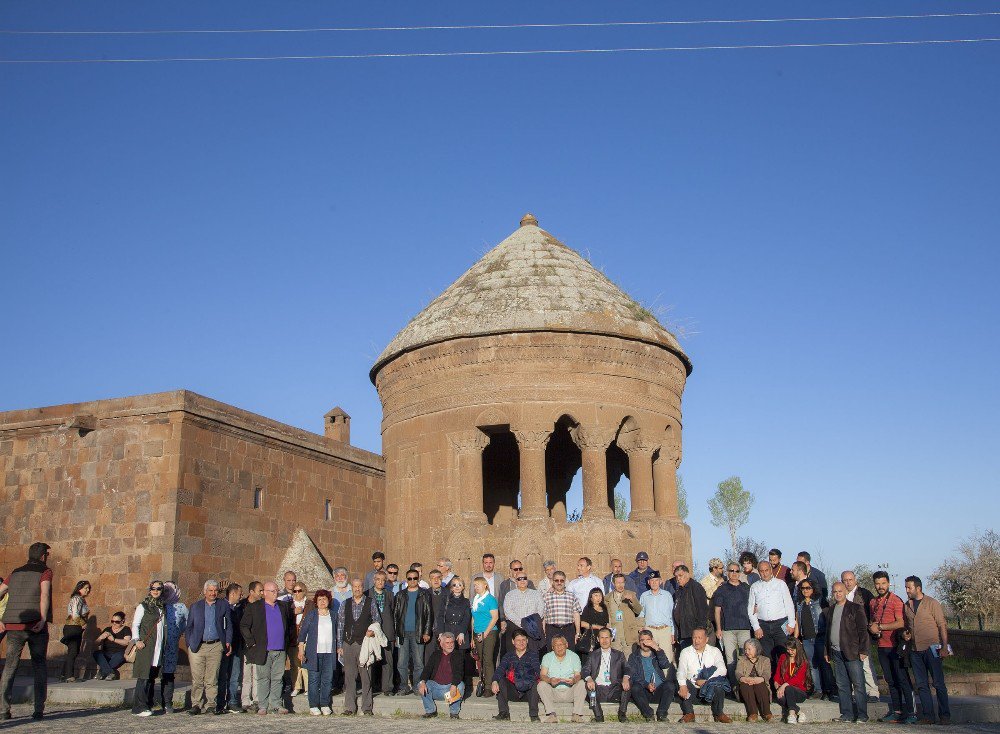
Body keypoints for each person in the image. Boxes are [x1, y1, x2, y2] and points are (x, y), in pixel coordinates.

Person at [0, 542, 52, 722]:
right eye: (47, 554)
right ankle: (38, 710)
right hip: (35, 625)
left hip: (13, 625)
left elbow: (1, 591)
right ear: (43, 556)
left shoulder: (15, 572)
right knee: (39, 666)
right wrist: (43, 618)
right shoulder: (45, 571)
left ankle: (3, 710)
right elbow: (44, 594)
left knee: (10, 667)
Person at [240, 580, 296, 715]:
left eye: (276, 590)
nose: (276, 593)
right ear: (265, 593)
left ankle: (276, 704)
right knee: (263, 678)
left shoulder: (283, 606)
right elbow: (244, 626)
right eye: (273, 591)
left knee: (278, 678)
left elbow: (289, 626)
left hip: (280, 649)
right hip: (263, 650)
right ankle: (263, 705)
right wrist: (251, 642)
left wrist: (287, 643)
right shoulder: (255, 607)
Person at [903, 575, 951, 725]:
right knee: (922, 684)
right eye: (905, 587)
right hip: (915, 649)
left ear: (918, 588)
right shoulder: (907, 605)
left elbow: (942, 625)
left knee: (938, 683)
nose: (906, 590)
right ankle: (928, 716)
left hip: (932, 648)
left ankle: (944, 715)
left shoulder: (932, 603)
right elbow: (907, 626)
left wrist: (944, 646)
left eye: (909, 587)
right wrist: (906, 634)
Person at [869, 571, 915, 723]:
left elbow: (901, 623)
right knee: (890, 680)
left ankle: (911, 713)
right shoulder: (873, 602)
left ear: (888, 583)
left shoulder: (895, 600)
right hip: (882, 646)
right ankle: (897, 711)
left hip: (895, 645)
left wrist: (880, 627)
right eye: (877, 583)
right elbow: (873, 622)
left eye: (883, 583)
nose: (880, 586)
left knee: (902, 679)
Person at [184, 579, 233, 715]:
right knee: (197, 678)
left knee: (212, 678)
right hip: (198, 646)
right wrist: (189, 644)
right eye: (210, 590)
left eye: (215, 590)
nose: (213, 593)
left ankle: (211, 704)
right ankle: (196, 704)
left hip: (216, 645)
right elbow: (189, 627)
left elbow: (228, 625)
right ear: (205, 592)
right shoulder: (196, 606)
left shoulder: (223, 605)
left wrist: (228, 641)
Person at [823, 581, 870, 723]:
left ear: (845, 592)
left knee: (858, 684)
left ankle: (862, 715)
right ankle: (847, 714)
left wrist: (863, 650)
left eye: (840, 591)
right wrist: (826, 651)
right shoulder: (831, 609)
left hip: (852, 651)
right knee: (842, 685)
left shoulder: (855, 608)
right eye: (835, 592)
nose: (837, 594)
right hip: (836, 652)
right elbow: (827, 632)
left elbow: (863, 630)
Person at [337, 578, 380, 716]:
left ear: (363, 588)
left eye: (359, 586)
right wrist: (339, 645)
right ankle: (350, 707)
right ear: (352, 588)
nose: (357, 589)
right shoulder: (345, 603)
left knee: (366, 675)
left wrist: (372, 631)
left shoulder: (370, 602)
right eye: (355, 587)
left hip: (364, 644)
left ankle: (367, 707)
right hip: (348, 644)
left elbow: (377, 620)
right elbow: (340, 625)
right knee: (349, 676)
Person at [676, 627, 732, 723]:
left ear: (706, 639)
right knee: (682, 681)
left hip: (710, 689)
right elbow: (681, 670)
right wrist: (682, 685)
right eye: (694, 638)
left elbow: (722, 669)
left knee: (719, 685)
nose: (696, 641)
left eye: (699, 638)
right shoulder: (685, 652)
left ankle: (719, 713)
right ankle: (689, 713)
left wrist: (707, 682)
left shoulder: (715, 651)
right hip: (693, 690)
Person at [297, 589, 338, 716]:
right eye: (319, 599)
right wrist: (301, 651)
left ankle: (325, 704)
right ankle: (313, 705)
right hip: (313, 653)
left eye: (324, 599)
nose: (322, 602)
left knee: (327, 679)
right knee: (314, 680)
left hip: (329, 653)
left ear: (328, 601)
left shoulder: (333, 615)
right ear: (316, 601)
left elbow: (338, 633)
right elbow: (302, 634)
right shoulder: (312, 615)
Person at [130, 580, 167, 717]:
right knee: (143, 676)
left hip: (157, 646)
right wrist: (137, 640)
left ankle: (148, 704)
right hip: (146, 645)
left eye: (158, 589)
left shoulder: (162, 607)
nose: (155, 591)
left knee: (151, 676)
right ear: (149, 590)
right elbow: (135, 624)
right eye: (153, 588)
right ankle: (139, 707)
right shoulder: (143, 606)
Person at [393, 568, 432, 695]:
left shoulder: (424, 594)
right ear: (406, 580)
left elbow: (428, 615)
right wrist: (395, 633)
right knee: (401, 662)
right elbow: (396, 615)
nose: (412, 580)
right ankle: (404, 687)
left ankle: (416, 686)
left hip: (418, 632)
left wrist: (426, 632)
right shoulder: (400, 595)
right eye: (409, 578)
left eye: (415, 578)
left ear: (418, 579)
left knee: (418, 662)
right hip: (403, 633)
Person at [624, 629, 677, 722]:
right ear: (639, 642)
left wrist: (657, 648)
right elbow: (634, 675)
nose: (645, 643)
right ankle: (648, 714)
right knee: (635, 687)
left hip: (658, 689)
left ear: (652, 640)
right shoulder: (633, 656)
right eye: (642, 640)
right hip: (644, 691)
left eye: (648, 640)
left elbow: (665, 665)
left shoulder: (657, 653)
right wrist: (646, 685)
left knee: (670, 685)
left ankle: (662, 714)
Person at [748, 560, 796, 661]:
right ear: (759, 572)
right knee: (767, 657)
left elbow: (789, 604)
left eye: (766, 570)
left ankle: (784, 677)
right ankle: (770, 677)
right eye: (762, 571)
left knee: (783, 655)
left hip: (781, 624)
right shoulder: (754, 587)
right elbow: (751, 608)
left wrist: (791, 624)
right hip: (763, 626)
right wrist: (756, 627)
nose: (764, 573)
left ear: (771, 570)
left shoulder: (780, 584)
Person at [841, 570, 879, 701]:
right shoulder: (841, 595)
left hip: (863, 635)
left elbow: (874, 612)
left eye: (850, 579)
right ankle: (855, 693)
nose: (848, 582)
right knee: (851, 666)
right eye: (845, 580)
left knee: (866, 666)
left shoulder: (864, 594)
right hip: (847, 637)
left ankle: (873, 692)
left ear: (855, 580)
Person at [794, 578, 833, 700]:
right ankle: (818, 690)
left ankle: (829, 689)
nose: (805, 590)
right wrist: (795, 638)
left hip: (819, 637)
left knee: (824, 664)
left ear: (813, 589)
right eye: (803, 588)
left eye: (808, 588)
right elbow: (797, 622)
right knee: (812, 665)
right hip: (806, 638)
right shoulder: (799, 604)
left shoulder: (819, 601)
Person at [712, 563, 752, 679]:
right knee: (731, 659)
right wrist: (718, 629)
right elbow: (717, 610)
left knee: (746, 656)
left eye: (737, 571)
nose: (734, 573)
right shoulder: (722, 589)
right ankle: (734, 687)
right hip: (727, 629)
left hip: (744, 627)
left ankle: (746, 684)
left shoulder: (746, 588)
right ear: (727, 572)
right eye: (732, 570)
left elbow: (754, 604)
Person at [492, 629, 541, 722]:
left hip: (528, 692)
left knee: (535, 683)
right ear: (513, 641)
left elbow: (537, 671)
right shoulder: (508, 655)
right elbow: (500, 669)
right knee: (501, 680)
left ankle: (534, 715)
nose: (521, 643)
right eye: (518, 640)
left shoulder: (533, 655)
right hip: (513, 691)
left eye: (523, 640)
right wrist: (494, 681)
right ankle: (504, 713)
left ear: (527, 641)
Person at [582, 627, 628, 722]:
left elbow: (628, 668)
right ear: (598, 639)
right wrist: (589, 679)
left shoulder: (619, 655)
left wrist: (626, 678)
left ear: (611, 638)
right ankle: (599, 716)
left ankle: (622, 714)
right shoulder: (592, 655)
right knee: (588, 686)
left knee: (628, 682)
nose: (604, 640)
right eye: (602, 638)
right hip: (599, 689)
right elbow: (585, 670)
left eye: (607, 637)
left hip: (614, 688)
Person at [537, 634, 588, 722]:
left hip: (570, 691)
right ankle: (552, 715)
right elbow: (542, 675)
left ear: (567, 645)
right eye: (556, 645)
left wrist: (573, 680)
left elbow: (578, 675)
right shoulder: (547, 657)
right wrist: (550, 680)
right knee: (541, 685)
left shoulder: (574, 656)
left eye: (561, 644)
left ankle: (576, 714)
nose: (559, 647)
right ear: (552, 647)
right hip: (554, 692)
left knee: (582, 683)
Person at [419, 632, 465, 718]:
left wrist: (454, 685)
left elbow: (459, 673)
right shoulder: (435, 654)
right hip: (435, 689)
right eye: (447, 643)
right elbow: (427, 670)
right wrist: (423, 682)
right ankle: (431, 711)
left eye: (452, 642)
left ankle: (454, 713)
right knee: (421, 684)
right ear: (441, 644)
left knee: (461, 685)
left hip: (450, 689)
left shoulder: (458, 655)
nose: (450, 645)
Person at [159, 581, 189, 714]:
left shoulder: (181, 607)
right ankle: (148, 701)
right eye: (164, 590)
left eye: (168, 590)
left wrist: (178, 632)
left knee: (168, 674)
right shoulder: (158, 605)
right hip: (157, 645)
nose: (166, 593)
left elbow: (188, 623)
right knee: (153, 673)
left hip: (171, 645)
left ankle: (167, 702)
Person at [502, 570, 544, 654]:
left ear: (527, 580)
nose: (522, 581)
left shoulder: (536, 594)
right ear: (516, 581)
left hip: (533, 627)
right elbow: (508, 611)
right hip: (515, 627)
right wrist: (522, 623)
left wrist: (530, 622)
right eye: (519, 579)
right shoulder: (510, 595)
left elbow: (541, 610)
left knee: (532, 655)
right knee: (515, 655)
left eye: (524, 578)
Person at [368, 570, 396, 696]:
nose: (380, 582)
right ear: (374, 580)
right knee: (372, 660)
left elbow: (394, 614)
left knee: (388, 661)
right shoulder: (367, 594)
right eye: (378, 579)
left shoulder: (390, 595)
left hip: (388, 632)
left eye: (383, 580)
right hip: (373, 632)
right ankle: (372, 686)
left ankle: (388, 688)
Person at [471, 575, 499, 697]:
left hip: (489, 632)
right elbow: (473, 618)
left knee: (488, 659)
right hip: (478, 632)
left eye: (477, 585)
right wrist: (473, 636)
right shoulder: (475, 599)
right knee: (480, 659)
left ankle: (489, 686)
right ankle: (482, 682)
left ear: (485, 585)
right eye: (474, 585)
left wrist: (485, 633)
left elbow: (495, 617)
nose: (475, 587)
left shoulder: (490, 599)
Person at [217, 583, 244, 714]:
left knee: (234, 675)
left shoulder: (240, 607)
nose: (241, 596)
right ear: (232, 594)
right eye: (240, 594)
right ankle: (221, 702)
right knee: (222, 675)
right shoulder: (221, 606)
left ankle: (232, 702)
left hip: (237, 645)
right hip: (224, 646)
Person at [638, 570, 675, 663]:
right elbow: (641, 614)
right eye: (652, 581)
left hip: (665, 630)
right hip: (650, 631)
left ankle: (667, 677)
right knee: (650, 656)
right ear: (648, 582)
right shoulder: (644, 596)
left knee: (667, 657)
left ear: (660, 581)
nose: (654, 583)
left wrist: (672, 633)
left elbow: (672, 615)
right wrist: (641, 628)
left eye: (656, 580)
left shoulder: (667, 595)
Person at [59, 580, 91, 682]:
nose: (87, 590)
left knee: (73, 651)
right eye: (85, 588)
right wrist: (83, 623)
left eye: (88, 588)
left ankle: (64, 674)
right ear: (79, 588)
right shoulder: (76, 599)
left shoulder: (82, 600)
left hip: (76, 627)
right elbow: (75, 613)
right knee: (73, 651)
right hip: (73, 626)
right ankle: (69, 676)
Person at [238, 581, 263, 712]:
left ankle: (257, 699)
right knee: (247, 675)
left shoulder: (262, 605)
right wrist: (249, 641)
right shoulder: (242, 605)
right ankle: (245, 701)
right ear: (252, 592)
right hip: (246, 644)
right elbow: (241, 625)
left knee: (257, 674)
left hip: (259, 644)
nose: (262, 593)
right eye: (260, 590)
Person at [775, 636, 812, 723]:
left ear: (797, 649)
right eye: (788, 649)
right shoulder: (783, 657)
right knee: (781, 699)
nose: (790, 652)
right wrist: (777, 685)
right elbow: (777, 675)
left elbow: (798, 679)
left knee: (789, 688)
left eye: (792, 650)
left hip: (799, 691)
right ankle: (799, 711)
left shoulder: (802, 661)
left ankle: (791, 714)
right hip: (784, 689)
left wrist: (784, 685)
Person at [542, 570, 582, 652]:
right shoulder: (546, 597)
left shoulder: (571, 596)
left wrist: (577, 633)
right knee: (552, 655)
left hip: (568, 630)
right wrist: (544, 633)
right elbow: (544, 616)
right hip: (551, 630)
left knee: (570, 654)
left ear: (565, 582)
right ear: (553, 582)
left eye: (561, 580)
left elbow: (576, 614)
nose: (559, 583)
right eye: (556, 580)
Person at [735, 638, 773, 722]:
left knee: (760, 684)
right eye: (745, 649)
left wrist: (760, 679)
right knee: (745, 685)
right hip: (746, 687)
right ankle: (753, 713)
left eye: (749, 649)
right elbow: (738, 672)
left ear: (756, 649)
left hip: (760, 686)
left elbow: (767, 673)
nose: (746, 651)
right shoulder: (741, 660)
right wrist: (743, 678)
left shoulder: (765, 660)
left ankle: (767, 712)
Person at [673, 565, 708, 651]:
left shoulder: (696, 587)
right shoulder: (678, 591)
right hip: (683, 632)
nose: (678, 579)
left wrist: (700, 631)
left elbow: (702, 610)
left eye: (680, 575)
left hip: (694, 633)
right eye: (676, 576)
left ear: (687, 574)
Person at [288, 582, 313, 697]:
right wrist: (293, 613)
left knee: (305, 663)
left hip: (306, 637)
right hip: (293, 637)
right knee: (295, 664)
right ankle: (296, 686)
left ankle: (308, 688)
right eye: (295, 591)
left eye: (299, 591)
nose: (297, 593)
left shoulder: (310, 604)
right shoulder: (289, 604)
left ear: (304, 591)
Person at [606, 573, 642, 654]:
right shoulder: (608, 597)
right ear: (613, 583)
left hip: (628, 633)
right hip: (615, 634)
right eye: (618, 583)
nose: (620, 585)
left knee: (629, 659)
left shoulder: (631, 594)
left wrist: (632, 600)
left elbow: (638, 610)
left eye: (622, 582)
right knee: (616, 660)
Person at [497, 559, 533, 637]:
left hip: (527, 620)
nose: (518, 571)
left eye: (520, 569)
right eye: (516, 569)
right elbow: (500, 603)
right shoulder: (505, 584)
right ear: (511, 570)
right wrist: (502, 620)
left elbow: (534, 600)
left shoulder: (529, 583)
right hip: (510, 621)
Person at [92, 611, 132, 680]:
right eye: (112, 621)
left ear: (122, 621)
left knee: (120, 656)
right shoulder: (107, 629)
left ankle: (102, 672)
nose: (114, 623)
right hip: (107, 652)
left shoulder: (126, 629)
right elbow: (96, 644)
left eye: (117, 622)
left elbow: (126, 642)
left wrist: (114, 640)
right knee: (97, 653)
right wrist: (100, 637)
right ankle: (110, 672)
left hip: (119, 652)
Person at [579, 587, 609, 655]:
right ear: (591, 598)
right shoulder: (588, 608)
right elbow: (582, 623)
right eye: (596, 595)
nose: (598, 598)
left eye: (600, 595)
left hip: (602, 639)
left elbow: (606, 623)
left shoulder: (604, 608)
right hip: (591, 639)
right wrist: (597, 627)